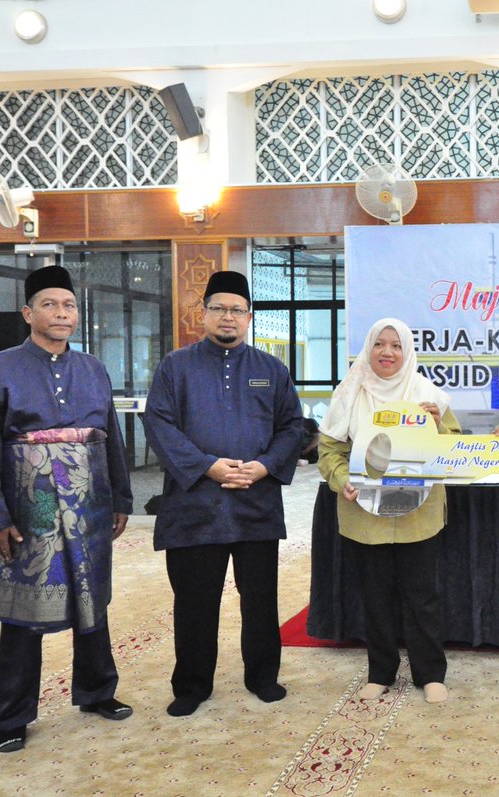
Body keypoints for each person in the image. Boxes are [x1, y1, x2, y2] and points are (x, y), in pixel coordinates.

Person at [0, 265, 134, 753]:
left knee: (91, 596)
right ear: (28, 312)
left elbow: (111, 439)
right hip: (29, 501)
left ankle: (97, 691)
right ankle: (13, 717)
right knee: (24, 610)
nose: (62, 313)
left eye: (69, 305)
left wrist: (121, 497)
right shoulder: (0, 368)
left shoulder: (93, 368)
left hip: (90, 498)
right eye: (50, 304)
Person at [143, 270, 305, 717]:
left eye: (237, 310)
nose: (228, 317)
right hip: (195, 504)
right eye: (219, 309)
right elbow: (159, 424)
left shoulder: (271, 370)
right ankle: (192, 685)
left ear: (249, 317)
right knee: (195, 599)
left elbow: (293, 425)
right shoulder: (176, 367)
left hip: (256, 502)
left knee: (260, 598)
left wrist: (266, 465)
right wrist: (207, 467)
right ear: (204, 314)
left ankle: (263, 676)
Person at [318, 318, 461, 703]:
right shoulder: (349, 393)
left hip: (419, 513)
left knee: (422, 596)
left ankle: (430, 673)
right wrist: (341, 478)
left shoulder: (428, 394)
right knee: (375, 596)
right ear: (368, 349)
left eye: (396, 345)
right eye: (379, 344)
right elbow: (329, 450)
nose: (387, 352)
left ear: (408, 351)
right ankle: (380, 672)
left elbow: (454, 448)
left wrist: (436, 426)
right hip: (363, 511)